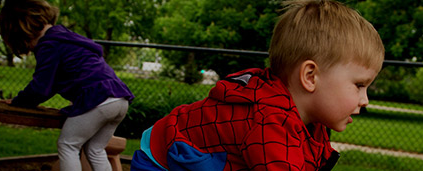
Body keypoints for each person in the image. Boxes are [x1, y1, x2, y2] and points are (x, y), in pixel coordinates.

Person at [130, 0, 384, 170]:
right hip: (160, 160)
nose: (365, 100)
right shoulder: (269, 120)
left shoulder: (310, 123)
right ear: (310, 76)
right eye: (359, 85)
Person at [0, 0, 134, 170]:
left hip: (98, 98)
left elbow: (42, 86)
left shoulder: (49, 45)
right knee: (95, 149)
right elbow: (54, 82)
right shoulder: (66, 37)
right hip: (119, 99)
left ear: (22, 31)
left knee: (68, 145)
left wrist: (20, 101)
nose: (32, 51)